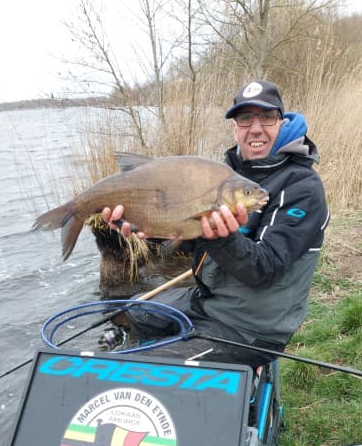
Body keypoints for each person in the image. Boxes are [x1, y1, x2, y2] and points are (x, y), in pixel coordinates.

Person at [102, 79, 330, 367]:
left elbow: (265, 269)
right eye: (245, 119)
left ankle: (198, 374)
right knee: (137, 310)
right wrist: (152, 229)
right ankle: (169, 355)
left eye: (267, 117)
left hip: (250, 329)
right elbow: (195, 241)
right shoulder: (225, 173)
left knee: (138, 368)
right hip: (208, 302)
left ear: (281, 123)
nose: (255, 128)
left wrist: (219, 237)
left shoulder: (302, 187)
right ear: (235, 128)